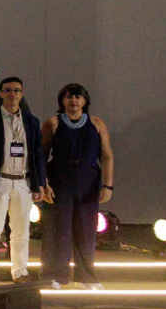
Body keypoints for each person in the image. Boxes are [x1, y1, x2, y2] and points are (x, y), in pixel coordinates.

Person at [42, 83, 113, 290]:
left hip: (88, 180)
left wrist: (108, 185)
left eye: (78, 97)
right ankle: (54, 274)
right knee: (58, 228)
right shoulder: (52, 123)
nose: (74, 101)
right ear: (62, 101)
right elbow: (41, 156)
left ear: (85, 101)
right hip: (59, 179)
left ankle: (86, 276)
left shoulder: (97, 123)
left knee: (86, 229)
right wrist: (43, 184)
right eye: (69, 97)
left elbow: (107, 155)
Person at [0, 76, 44, 286]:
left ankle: (20, 272)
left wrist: (39, 182)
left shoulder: (31, 121)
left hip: (24, 181)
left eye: (16, 90)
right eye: (8, 90)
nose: (12, 94)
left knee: (21, 230)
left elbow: (38, 154)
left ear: (21, 94)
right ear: (1, 94)